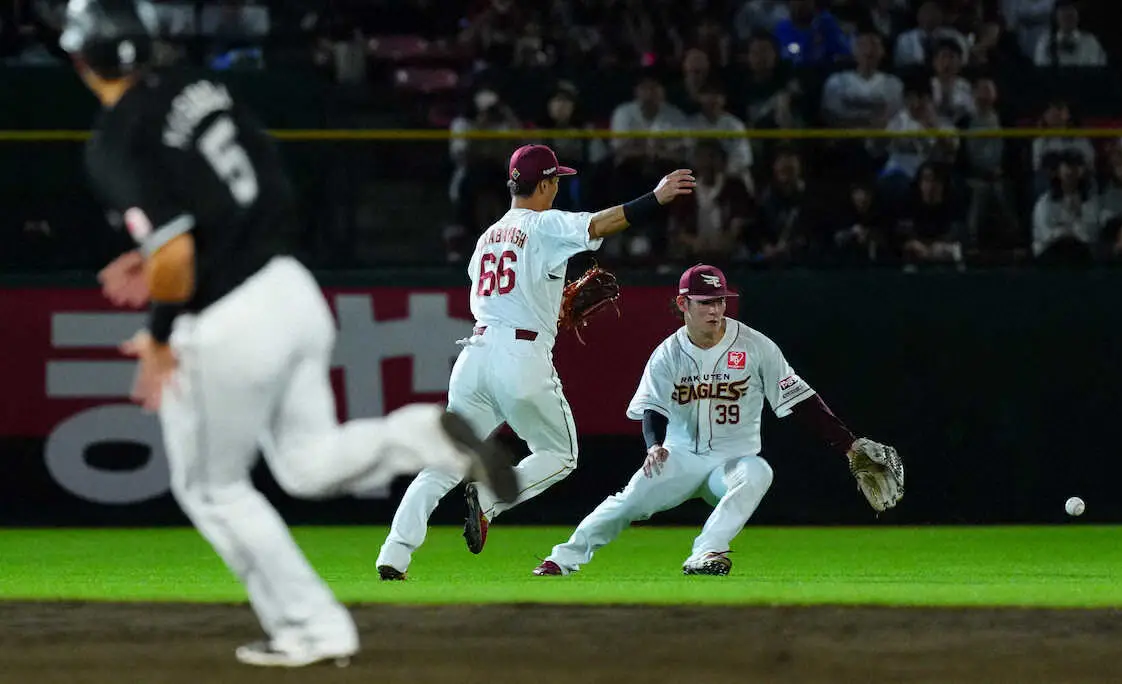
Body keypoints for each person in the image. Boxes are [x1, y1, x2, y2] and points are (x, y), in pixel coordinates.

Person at [61, 0, 518, 668]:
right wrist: (178, 252)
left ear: (79, 60)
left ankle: (311, 629)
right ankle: (421, 435)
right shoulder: (198, 84)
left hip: (226, 321)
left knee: (214, 489)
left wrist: (158, 340)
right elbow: (251, 188)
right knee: (305, 464)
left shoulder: (114, 138)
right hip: (291, 290)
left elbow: (177, 260)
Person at [375, 145, 696, 579]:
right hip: (519, 356)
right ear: (544, 184)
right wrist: (654, 198)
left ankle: (394, 553)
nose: (558, 188)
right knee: (560, 453)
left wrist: (544, 302)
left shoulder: (487, 235)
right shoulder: (545, 224)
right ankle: (489, 499)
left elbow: (497, 291)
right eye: (556, 181)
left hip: (475, 355)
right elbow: (601, 223)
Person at [532, 265, 901, 577]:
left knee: (759, 472)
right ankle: (562, 558)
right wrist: (654, 446)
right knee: (628, 503)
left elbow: (801, 400)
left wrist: (848, 443)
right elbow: (653, 407)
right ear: (683, 304)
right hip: (678, 457)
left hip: (731, 462)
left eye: (720, 301)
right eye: (706, 302)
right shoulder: (668, 354)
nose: (716, 310)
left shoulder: (756, 346)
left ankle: (706, 552)